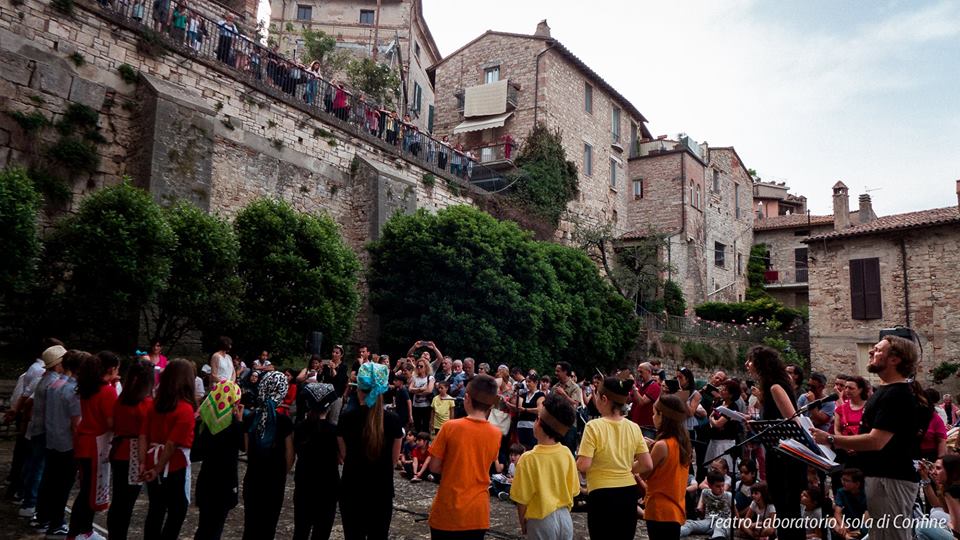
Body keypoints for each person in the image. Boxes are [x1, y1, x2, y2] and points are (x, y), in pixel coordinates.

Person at [811, 336, 927, 540]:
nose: (872, 352)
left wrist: (831, 439)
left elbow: (876, 441)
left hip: (892, 479)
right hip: (881, 477)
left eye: (878, 349)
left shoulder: (897, 395)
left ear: (895, 359)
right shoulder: (885, 392)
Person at [428, 374, 503, 539]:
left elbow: (434, 467)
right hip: (478, 512)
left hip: (449, 509)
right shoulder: (496, 434)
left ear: (467, 398)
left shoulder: (450, 427)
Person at [577, 377, 653, 539]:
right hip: (628, 493)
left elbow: (583, 465)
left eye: (597, 395)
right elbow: (647, 464)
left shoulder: (593, 426)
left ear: (604, 399)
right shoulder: (633, 427)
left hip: (601, 494)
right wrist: (627, 468)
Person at [745, 345, 807, 540]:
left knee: (788, 507)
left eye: (750, 360)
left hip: (786, 456)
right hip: (777, 451)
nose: (747, 364)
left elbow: (794, 421)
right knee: (783, 507)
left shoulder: (775, 387)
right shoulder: (770, 386)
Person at [337, 361, 402, 539]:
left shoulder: (346, 418)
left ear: (359, 389)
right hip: (381, 490)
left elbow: (344, 454)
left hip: (352, 487)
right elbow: (394, 460)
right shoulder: (393, 420)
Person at [139, 358, 197, 540]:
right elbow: (172, 444)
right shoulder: (185, 408)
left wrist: (143, 463)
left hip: (152, 458)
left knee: (156, 508)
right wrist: (157, 469)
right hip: (173, 465)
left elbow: (143, 435)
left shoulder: (154, 405)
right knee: (178, 510)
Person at [510, 393, 579, 539]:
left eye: (537, 418)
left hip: (540, 519)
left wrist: (523, 523)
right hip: (565, 518)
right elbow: (573, 490)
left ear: (540, 424)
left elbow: (521, 500)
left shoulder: (528, 458)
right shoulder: (566, 453)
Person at [70, 350, 120, 539]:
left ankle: (80, 530)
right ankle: (81, 531)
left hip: (85, 441)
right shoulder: (107, 391)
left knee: (85, 490)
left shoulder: (88, 387)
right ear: (111, 369)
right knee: (89, 493)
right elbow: (110, 422)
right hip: (96, 445)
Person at [36, 349, 86, 538]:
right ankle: (56, 522)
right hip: (67, 443)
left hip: (53, 440)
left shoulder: (55, 384)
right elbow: (76, 424)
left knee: (50, 480)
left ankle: (43, 517)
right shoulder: (73, 391)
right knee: (62, 485)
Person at [242, 371, 294, 540]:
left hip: (253, 476)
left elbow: (248, 449)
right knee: (268, 527)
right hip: (274, 479)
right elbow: (289, 455)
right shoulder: (284, 422)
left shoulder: (251, 418)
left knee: (250, 526)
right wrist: (281, 473)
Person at [108, 360, 154, 540]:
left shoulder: (122, 399)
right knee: (126, 503)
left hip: (119, 450)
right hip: (135, 453)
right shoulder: (146, 404)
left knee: (119, 501)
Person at [19, 344, 66, 519]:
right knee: (39, 467)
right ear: (57, 365)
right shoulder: (53, 382)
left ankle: (28, 499)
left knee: (34, 464)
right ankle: (31, 501)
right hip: (45, 429)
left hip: (38, 427)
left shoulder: (43, 380)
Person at [193, 379, 244, 540]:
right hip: (225, 484)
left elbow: (195, 454)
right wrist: (239, 422)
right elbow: (243, 446)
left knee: (203, 527)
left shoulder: (205, 422)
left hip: (206, 481)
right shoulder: (233, 425)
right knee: (216, 528)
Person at [293, 383, 340, 540]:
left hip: (304, 483)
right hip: (328, 486)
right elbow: (341, 458)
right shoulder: (334, 431)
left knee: (301, 530)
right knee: (322, 532)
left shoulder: (300, 428)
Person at [643, 394, 694, 540]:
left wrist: (643, 451)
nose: (653, 417)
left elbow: (644, 472)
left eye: (654, 413)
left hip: (659, 510)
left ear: (662, 416)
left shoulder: (661, 445)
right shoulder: (682, 442)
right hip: (676, 509)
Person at [704, 379, 743, 472]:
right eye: (722, 388)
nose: (721, 390)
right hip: (714, 440)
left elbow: (718, 423)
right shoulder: (719, 402)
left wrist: (713, 421)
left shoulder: (733, 407)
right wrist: (712, 420)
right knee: (712, 469)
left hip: (725, 443)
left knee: (722, 470)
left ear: (731, 394)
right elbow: (710, 416)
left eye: (725, 390)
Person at [680, 470, 732, 539]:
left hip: (722, 521)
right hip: (708, 521)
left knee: (720, 528)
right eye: (718, 486)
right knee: (690, 523)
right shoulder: (705, 492)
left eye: (723, 485)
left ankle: (717, 538)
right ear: (710, 486)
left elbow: (735, 511)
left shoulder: (728, 495)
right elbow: (703, 508)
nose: (721, 488)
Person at [553, 362, 583, 453]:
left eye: (558, 371)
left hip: (569, 425)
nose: (556, 373)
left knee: (568, 452)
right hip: (556, 424)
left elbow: (575, 404)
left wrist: (563, 394)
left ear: (565, 372)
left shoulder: (575, 388)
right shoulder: (555, 387)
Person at [511, 375, 545, 450]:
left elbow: (539, 409)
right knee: (521, 449)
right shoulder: (523, 395)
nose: (527, 384)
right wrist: (515, 391)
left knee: (531, 448)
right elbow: (517, 406)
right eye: (526, 382)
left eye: (529, 382)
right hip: (521, 425)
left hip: (532, 426)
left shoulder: (540, 394)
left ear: (536, 382)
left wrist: (525, 409)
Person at [832, 468, 867, 540]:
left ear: (857, 484)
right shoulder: (841, 492)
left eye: (846, 481)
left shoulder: (866, 493)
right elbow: (837, 512)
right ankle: (847, 537)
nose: (843, 482)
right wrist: (842, 524)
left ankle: (848, 536)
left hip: (861, 525)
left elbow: (867, 515)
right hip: (847, 524)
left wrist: (861, 529)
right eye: (842, 479)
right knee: (831, 520)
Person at [629, 362, 661, 437]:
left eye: (641, 372)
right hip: (636, 424)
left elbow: (641, 402)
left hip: (647, 427)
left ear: (649, 372)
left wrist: (633, 387)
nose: (639, 374)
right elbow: (628, 400)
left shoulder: (654, 386)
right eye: (638, 372)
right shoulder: (640, 386)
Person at [409, 357, 436, 434]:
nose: (419, 368)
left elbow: (429, 390)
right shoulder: (415, 377)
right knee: (417, 427)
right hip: (416, 406)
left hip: (426, 406)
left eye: (421, 366)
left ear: (426, 367)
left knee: (425, 427)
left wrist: (416, 391)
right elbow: (410, 389)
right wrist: (421, 389)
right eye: (417, 366)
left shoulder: (430, 378)